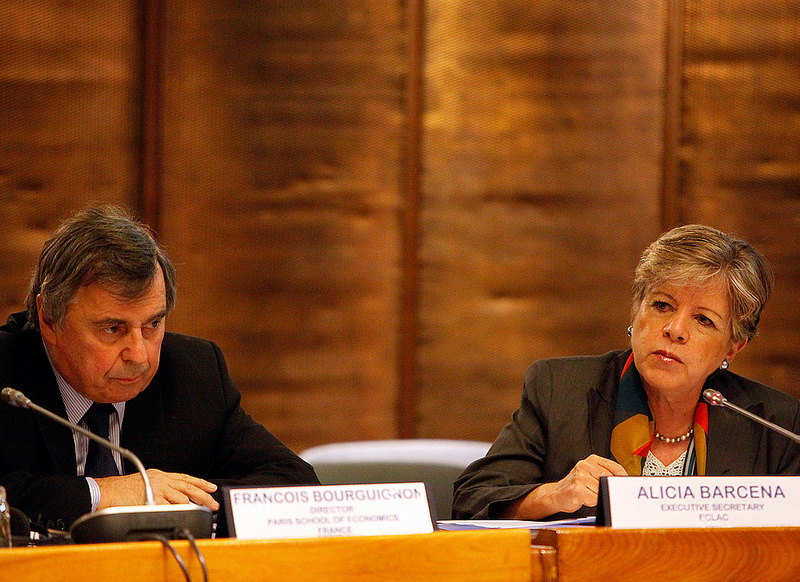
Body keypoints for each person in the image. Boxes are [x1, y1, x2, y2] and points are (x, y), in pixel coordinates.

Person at [0, 204, 319, 531]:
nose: (139, 355)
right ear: (49, 320)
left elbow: (295, 483)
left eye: (153, 324)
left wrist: (180, 502)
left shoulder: (194, 372)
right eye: (113, 329)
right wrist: (104, 493)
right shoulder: (6, 379)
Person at [452, 224, 800, 521]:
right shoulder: (561, 390)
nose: (675, 329)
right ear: (636, 312)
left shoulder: (776, 427)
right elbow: (472, 502)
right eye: (662, 305)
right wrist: (554, 495)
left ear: (732, 347)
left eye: (703, 319)